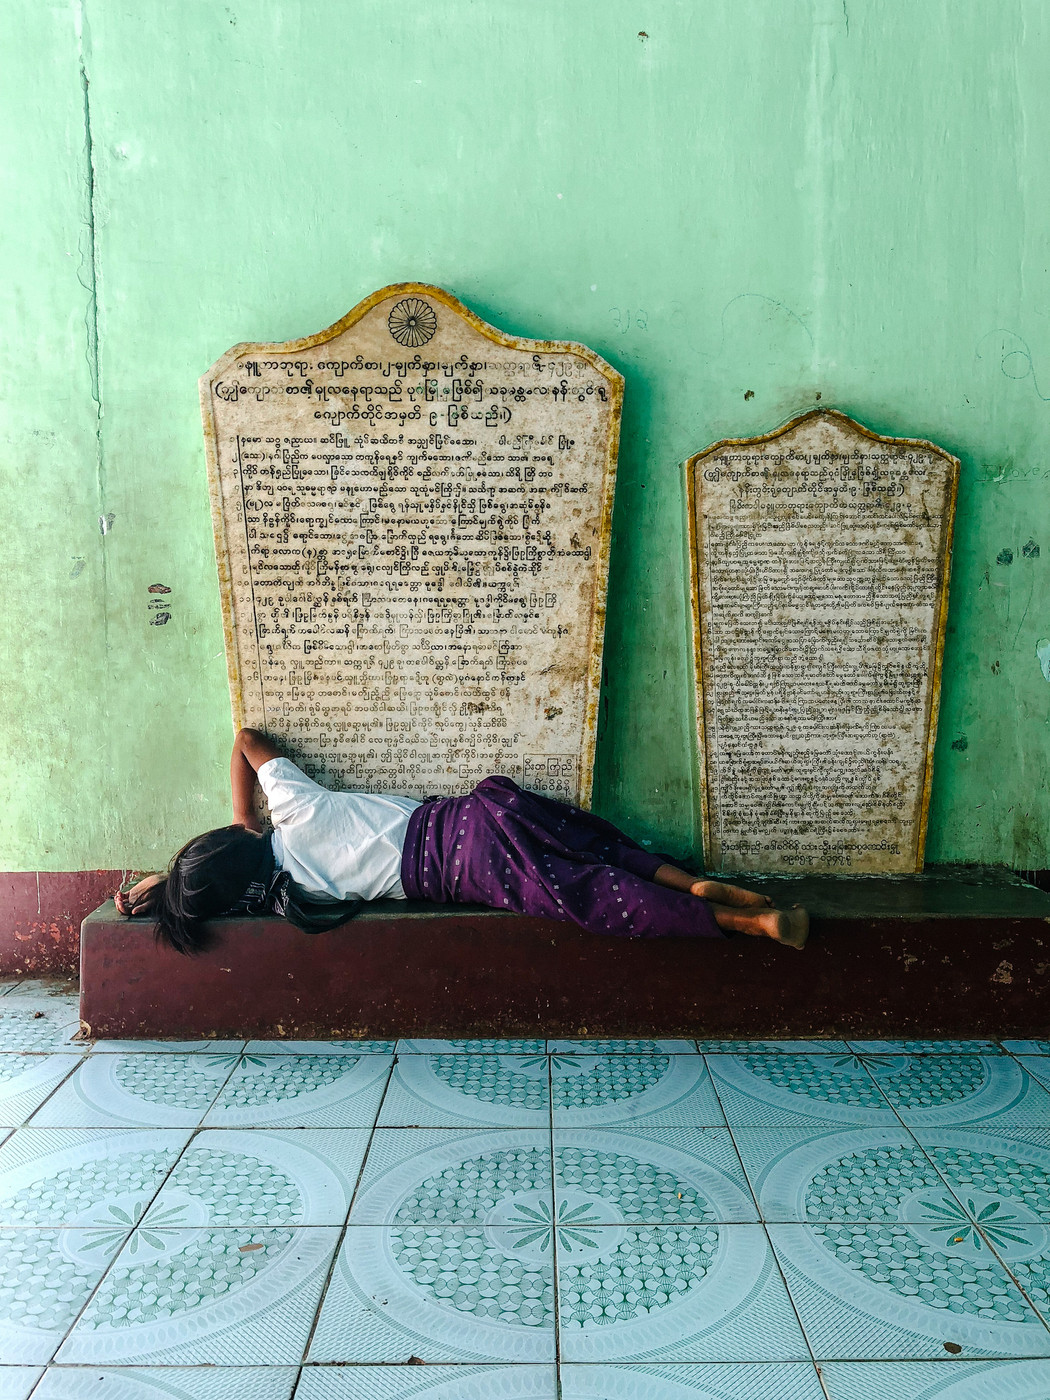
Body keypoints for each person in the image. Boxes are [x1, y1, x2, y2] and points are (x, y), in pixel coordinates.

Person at [116, 728, 809, 954]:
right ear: (238, 840)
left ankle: (746, 923)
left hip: (464, 870)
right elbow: (245, 739)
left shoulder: (293, 896)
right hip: (478, 812)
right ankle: (691, 882)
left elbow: (206, 891)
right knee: (600, 846)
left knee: (591, 896)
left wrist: (161, 891)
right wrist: (244, 818)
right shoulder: (295, 810)